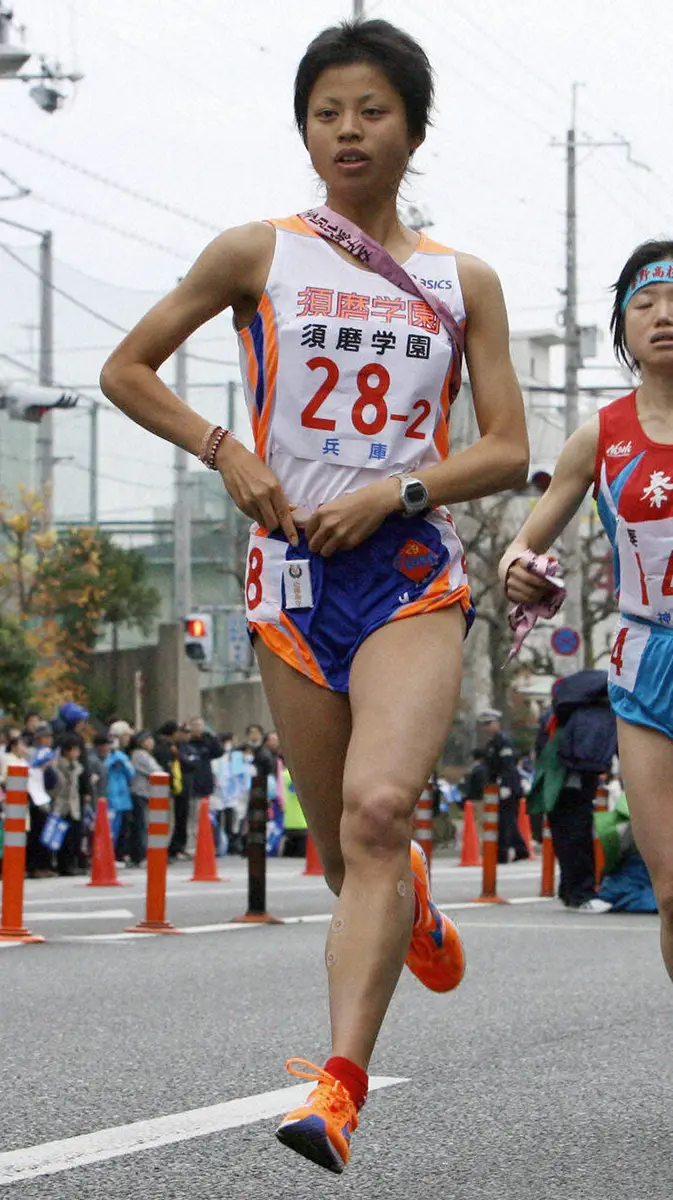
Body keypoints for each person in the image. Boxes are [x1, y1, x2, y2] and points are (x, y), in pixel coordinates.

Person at [100, 17, 528, 1173]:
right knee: (348, 858)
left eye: (372, 110)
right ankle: (412, 913)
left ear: (413, 130)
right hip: (288, 578)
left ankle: (336, 1090)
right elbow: (124, 368)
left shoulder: (460, 279)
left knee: (383, 810)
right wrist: (222, 449)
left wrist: (402, 488)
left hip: (405, 575)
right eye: (328, 110)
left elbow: (504, 447)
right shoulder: (257, 252)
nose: (348, 129)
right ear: (304, 126)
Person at [500, 238, 673, 980]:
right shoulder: (598, 437)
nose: (663, 316)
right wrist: (520, 575)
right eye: (644, 303)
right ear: (622, 327)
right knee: (671, 888)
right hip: (646, 667)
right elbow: (519, 546)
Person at [476, 709, 529, 863]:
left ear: (496, 723)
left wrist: (506, 785)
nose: (486, 727)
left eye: (489, 723)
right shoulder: (493, 743)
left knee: (506, 820)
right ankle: (519, 849)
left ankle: (503, 852)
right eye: (484, 724)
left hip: (507, 787)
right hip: (497, 787)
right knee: (505, 820)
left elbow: (508, 766)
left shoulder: (503, 741)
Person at [51, 734, 84, 876]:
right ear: (66, 751)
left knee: (74, 836)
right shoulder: (57, 766)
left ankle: (72, 864)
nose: (77, 753)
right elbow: (58, 787)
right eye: (74, 750)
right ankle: (62, 865)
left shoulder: (77, 767)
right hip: (60, 806)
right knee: (62, 839)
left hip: (73, 805)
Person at [129, 731, 161, 867]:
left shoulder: (146, 755)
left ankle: (143, 853)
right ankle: (140, 855)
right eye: (148, 739)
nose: (151, 742)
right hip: (139, 792)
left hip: (146, 792)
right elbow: (155, 771)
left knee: (145, 824)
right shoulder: (139, 755)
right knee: (141, 824)